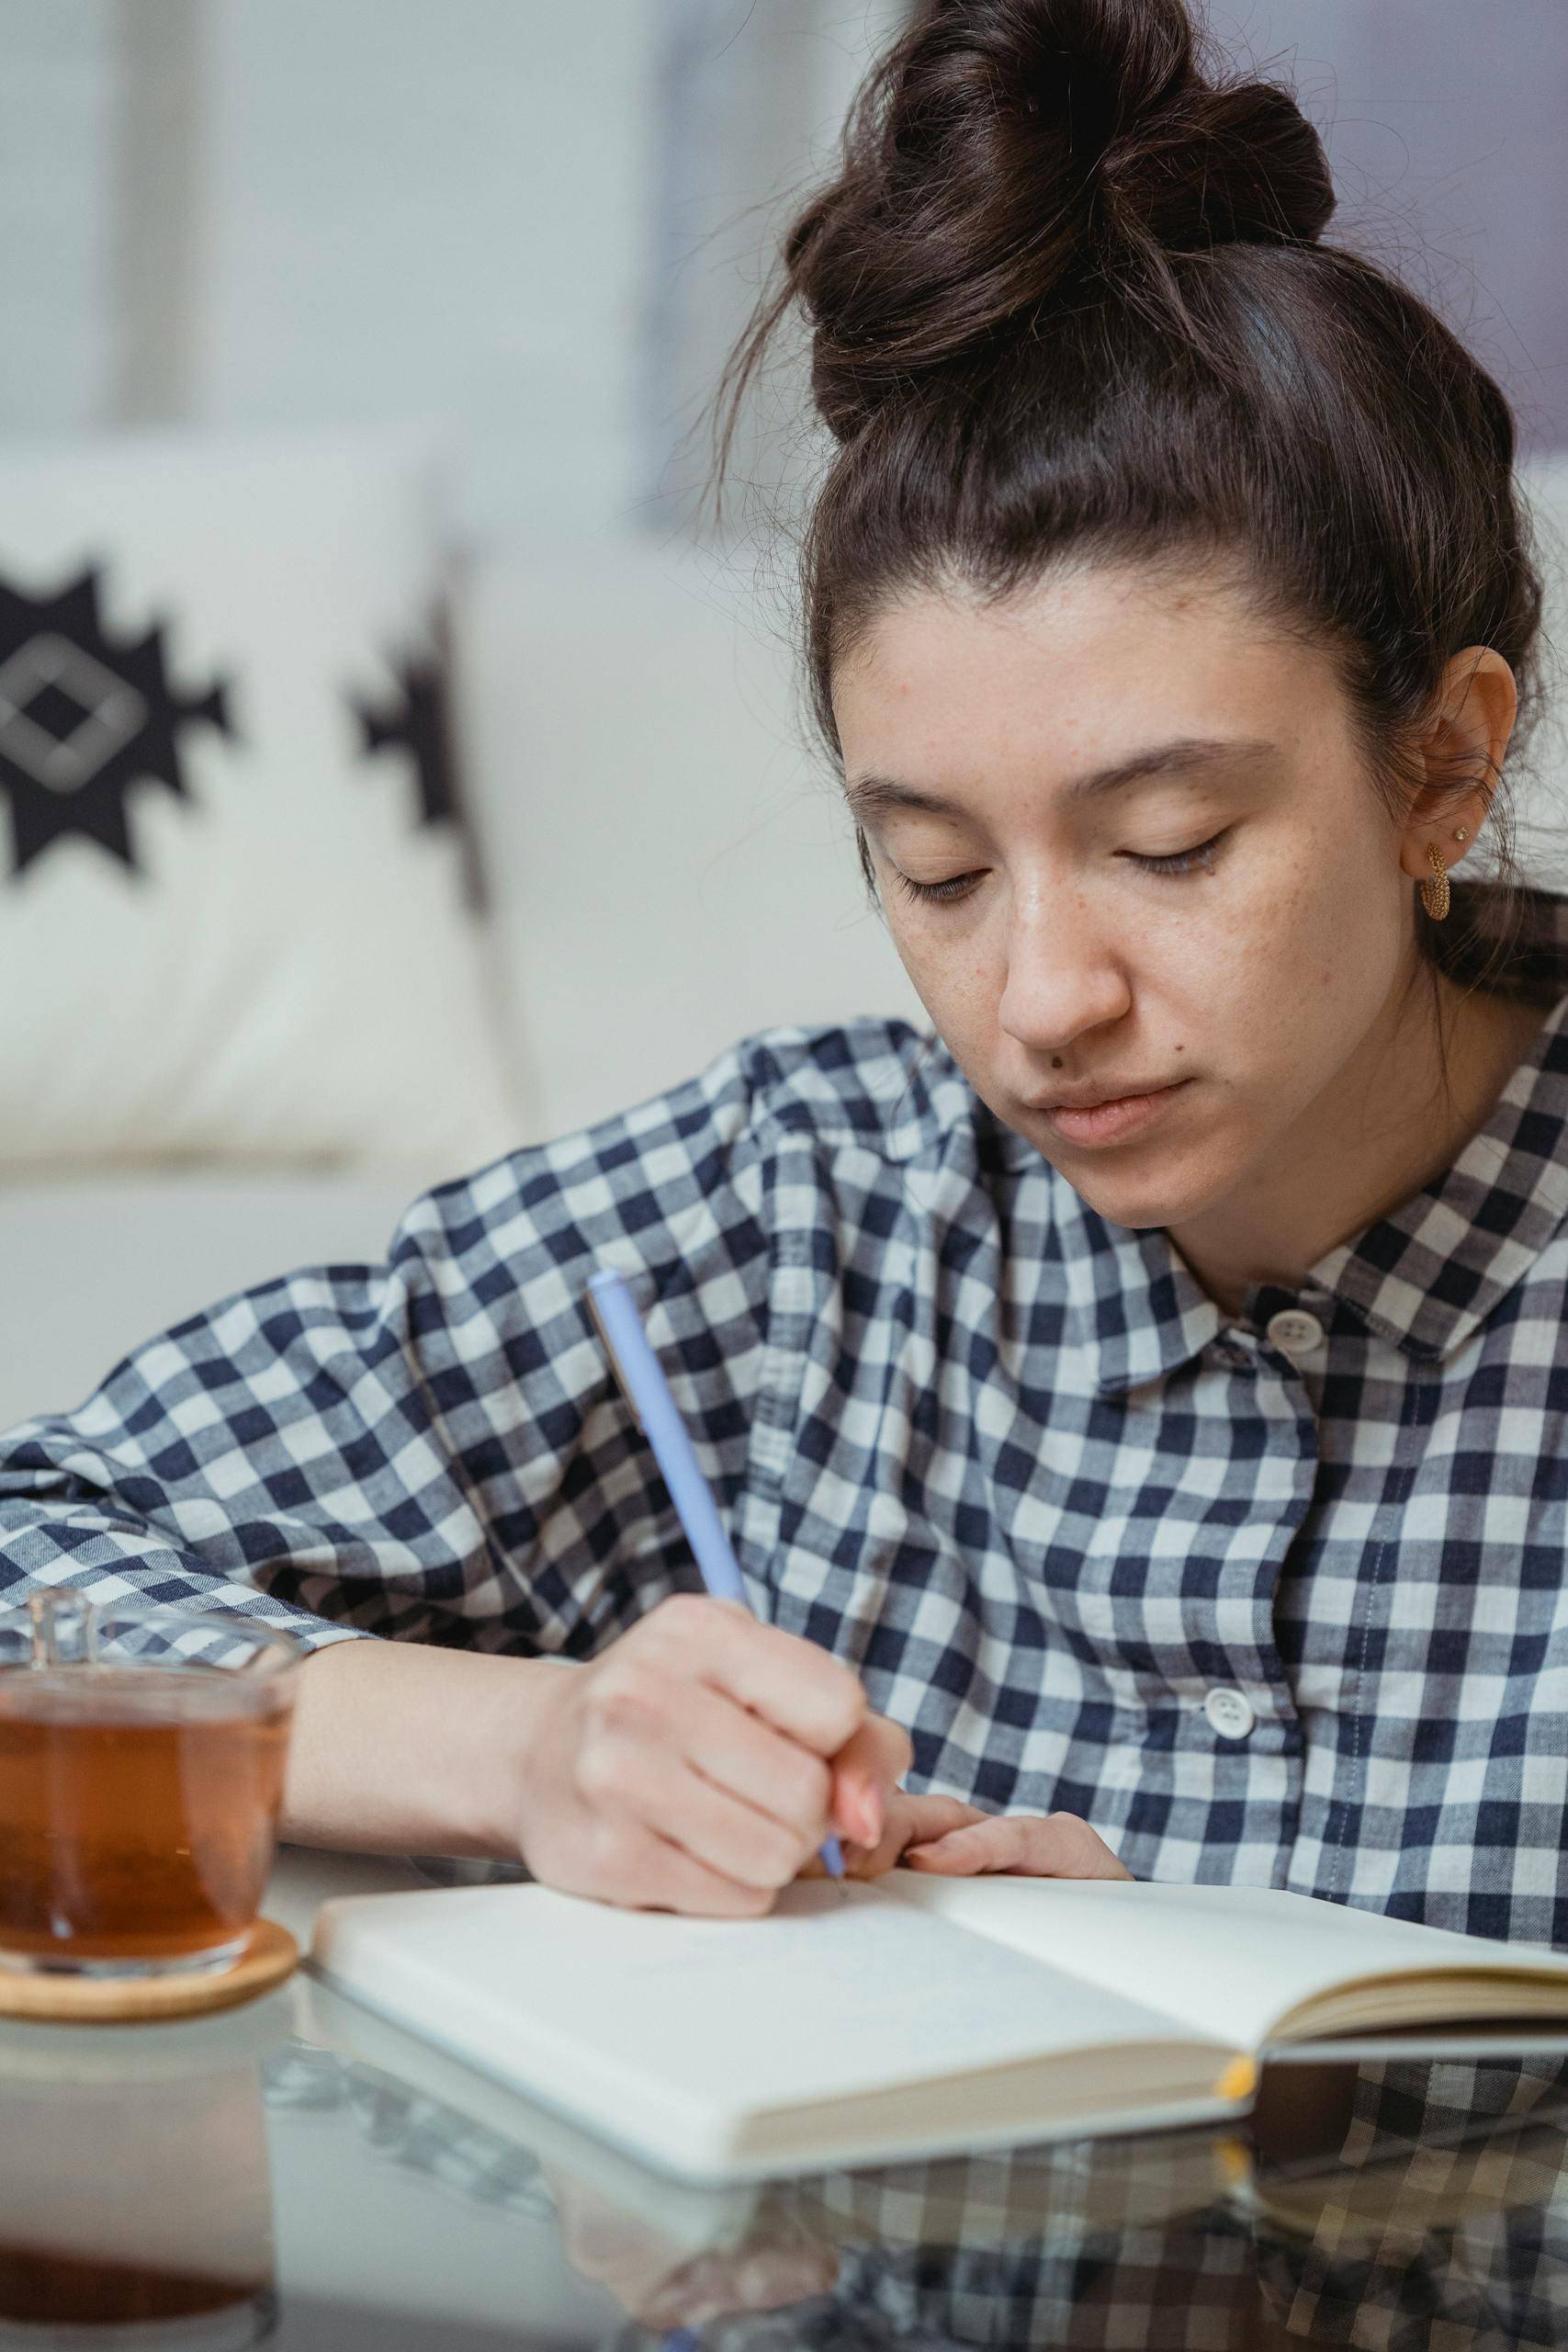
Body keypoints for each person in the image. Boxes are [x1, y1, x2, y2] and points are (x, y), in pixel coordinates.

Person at [1, 0, 1562, 1939]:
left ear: (1440, 762)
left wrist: (1201, 1962)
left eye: (1167, 847)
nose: (1040, 997)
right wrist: (534, 1747)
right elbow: (34, 1559)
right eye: (933, 868)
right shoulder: (806, 1205)